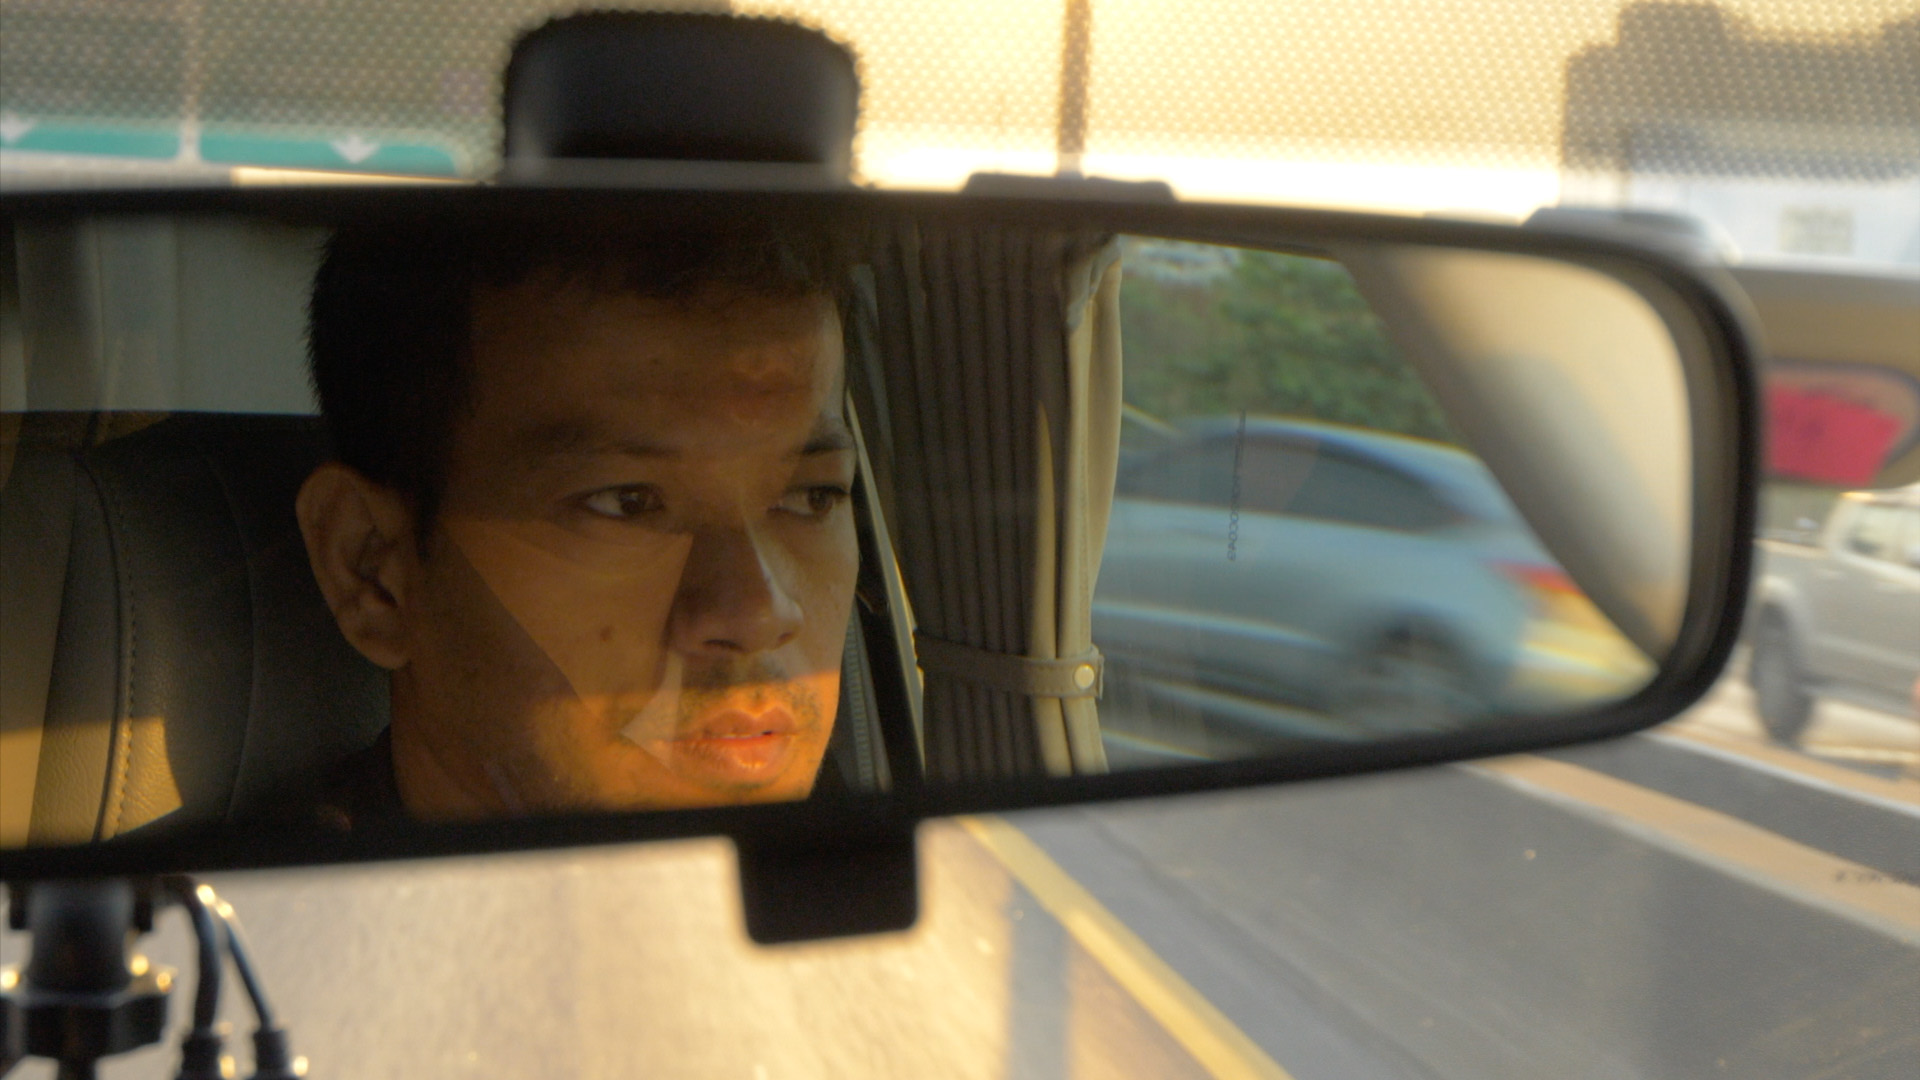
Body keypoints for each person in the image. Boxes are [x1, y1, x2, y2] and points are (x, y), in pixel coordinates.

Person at [290, 217, 859, 826]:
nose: (760, 612)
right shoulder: (245, 916)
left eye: (810, 499)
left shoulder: (903, 887)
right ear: (373, 570)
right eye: (628, 503)